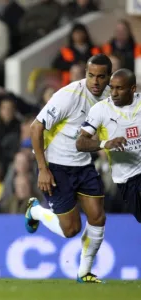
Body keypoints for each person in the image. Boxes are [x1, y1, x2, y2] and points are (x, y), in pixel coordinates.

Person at [25, 54, 112, 283]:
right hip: (56, 166)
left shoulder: (110, 97)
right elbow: (35, 128)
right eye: (91, 75)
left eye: (100, 77)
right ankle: (36, 211)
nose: (95, 81)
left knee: (98, 217)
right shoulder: (69, 96)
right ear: (85, 73)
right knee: (71, 230)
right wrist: (43, 169)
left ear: (108, 78)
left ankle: (84, 272)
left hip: (83, 165)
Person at [76, 68, 141, 223]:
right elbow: (80, 142)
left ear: (133, 89)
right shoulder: (101, 110)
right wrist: (106, 143)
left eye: (119, 88)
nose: (114, 93)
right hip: (126, 180)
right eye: (111, 88)